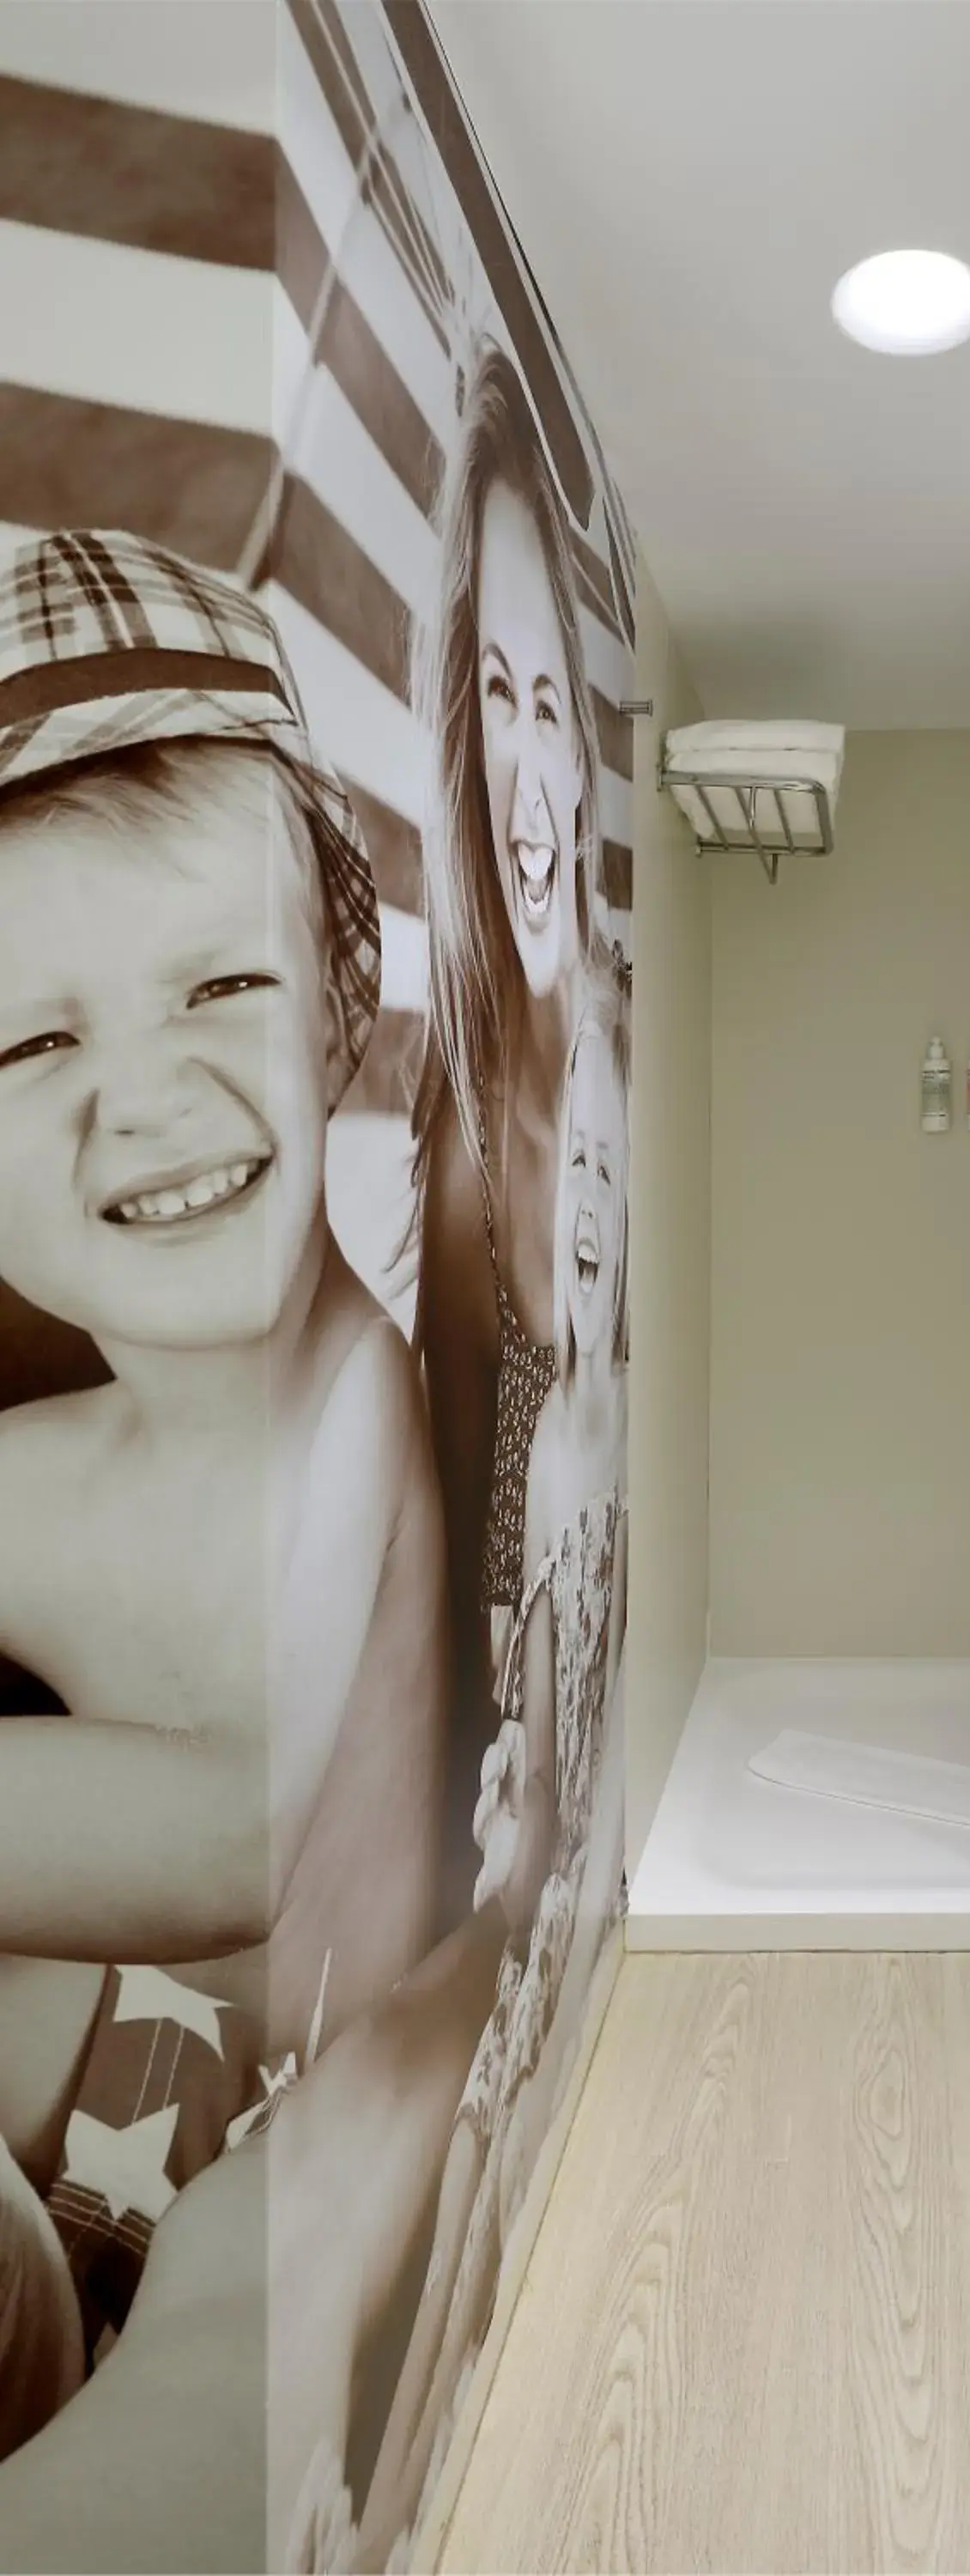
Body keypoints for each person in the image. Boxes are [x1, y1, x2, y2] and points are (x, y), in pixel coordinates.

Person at [0, 531, 447, 2408]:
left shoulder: (366, 1402)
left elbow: (235, 1834)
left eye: (218, 990)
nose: (146, 1098)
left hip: (289, 2158)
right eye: (27, 1039)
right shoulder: (42, 1473)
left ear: (346, 987)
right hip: (58, 2161)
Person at [356, 949, 632, 2564]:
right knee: (446, 2202)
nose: (584, 1194)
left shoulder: (596, 1423)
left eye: (604, 1161)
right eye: (568, 1157)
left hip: (513, 1883)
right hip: (483, 1882)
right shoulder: (533, 1416)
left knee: (462, 2224)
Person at [409, 340, 608, 1885]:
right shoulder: (465, 1115)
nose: (528, 783)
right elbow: (455, 1472)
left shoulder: (610, 1042)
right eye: (496, 697)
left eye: (552, 706)